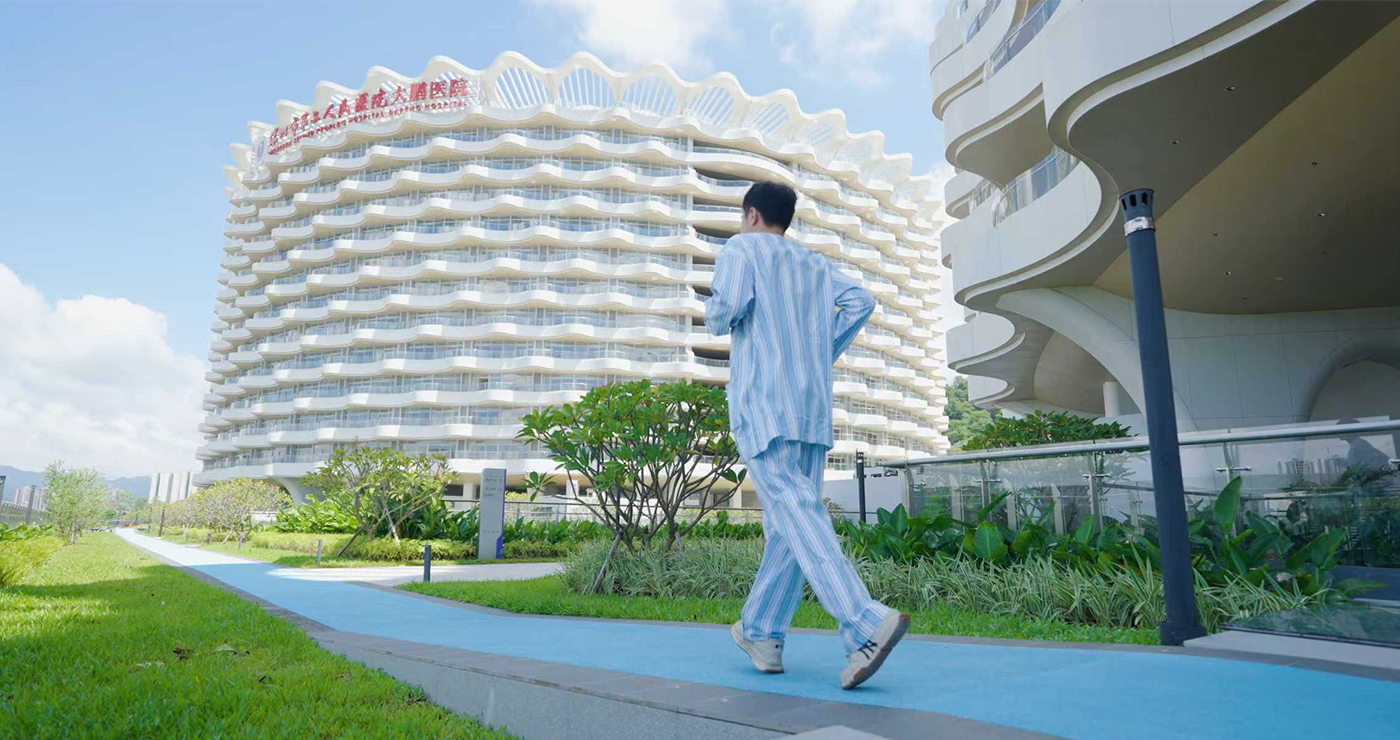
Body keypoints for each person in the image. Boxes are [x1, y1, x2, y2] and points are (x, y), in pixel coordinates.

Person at [704, 181, 910, 690]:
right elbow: (860, 302)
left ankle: (862, 622)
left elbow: (723, 315)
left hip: (763, 402)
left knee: (796, 513)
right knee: (789, 521)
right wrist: (819, 353)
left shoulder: (741, 249)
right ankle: (761, 631)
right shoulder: (814, 264)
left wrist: (718, 311)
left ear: (752, 214)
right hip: (811, 408)